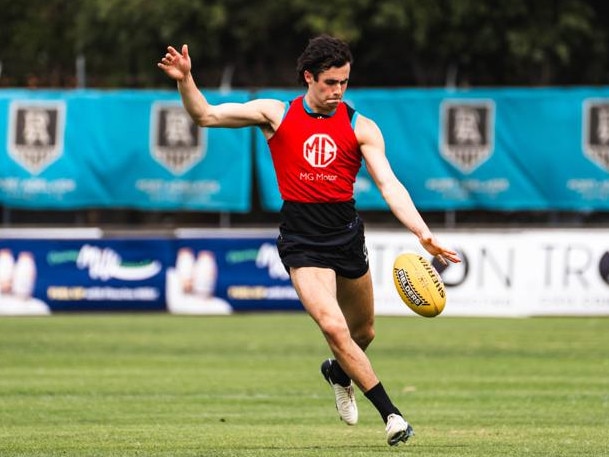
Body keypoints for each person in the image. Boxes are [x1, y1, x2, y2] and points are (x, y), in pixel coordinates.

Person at [158, 34, 460, 446]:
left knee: (363, 333)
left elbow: (389, 184)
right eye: (330, 82)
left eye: (344, 82)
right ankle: (392, 415)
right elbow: (206, 116)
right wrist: (185, 80)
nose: (338, 91)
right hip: (302, 240)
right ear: (309, 77)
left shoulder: (362, 127)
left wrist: (423, 233)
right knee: (334, 328)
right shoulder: (275, 114)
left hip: (347, 236)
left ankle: (338, 373)